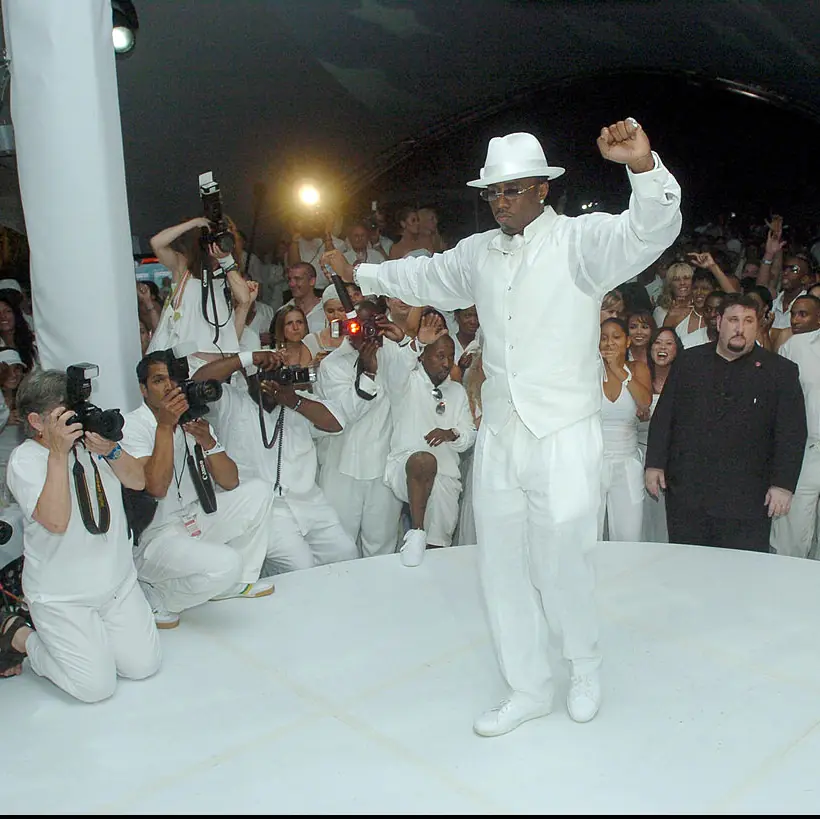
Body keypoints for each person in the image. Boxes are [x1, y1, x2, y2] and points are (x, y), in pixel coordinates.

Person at [323, 118, 682, 735]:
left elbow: (650, 230)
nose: (501, 201)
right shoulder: (477, 252)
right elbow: (426, 275)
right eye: (493, 192)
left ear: (542, 189)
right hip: (500, 435)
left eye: (513, 190)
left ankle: (583, 666)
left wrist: (643, 168)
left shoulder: (578, 243)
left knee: (563, 561)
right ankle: (527, 687)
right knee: (501, 567)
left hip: (563, 432)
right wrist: (365, 274)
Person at [0, 369, 161, 700]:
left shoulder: (91, 442)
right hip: (62, 596)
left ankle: (92, 638)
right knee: (95, 688)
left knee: (143, 666)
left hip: (116, 584)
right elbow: (56, 521)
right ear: (36, 421)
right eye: (63, 414)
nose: (74, 420)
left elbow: (138, 481)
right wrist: (59, 455)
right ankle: (21, 636)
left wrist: (111, 450)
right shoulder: (25, 460)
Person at [121, 352, 275, 629]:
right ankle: (159, 597)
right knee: (227, 564)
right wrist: (165, 426)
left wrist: (208, 443)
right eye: (159, 380)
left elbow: (230, 482)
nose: (169, 387)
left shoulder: (190, 416)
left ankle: (237, 582)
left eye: (173, 379)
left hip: (194, 518)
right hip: (155, 536)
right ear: (143, 389)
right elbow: (155, 487)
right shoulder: (132, 426)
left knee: (259, 491)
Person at [645, 293, 807, 552]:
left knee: (741, 570)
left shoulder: (780, 372)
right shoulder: (689, 362)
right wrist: (654, 463)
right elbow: (665, 416)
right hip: (688, 493)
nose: (740, 328)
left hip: (748, 499)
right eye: (733, 320)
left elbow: (791, 433)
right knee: (686, 565)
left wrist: (783, 485)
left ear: (757, 325)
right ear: (719, 322)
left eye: (748, 321)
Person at [191, 350, 359, 572]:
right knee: (300, 566)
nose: (272, 382)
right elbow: (195, 383)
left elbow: (336, 423)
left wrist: (294, 401)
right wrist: (248, 358)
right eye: (264, 374)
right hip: (265, 510)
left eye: (277, 374)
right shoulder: (229, 401)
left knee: (347, 553)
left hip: (309, 502)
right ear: (248, 377)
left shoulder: (297, 401)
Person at [315, 306, 445, 558]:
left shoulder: (391, 352)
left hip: (382, 466)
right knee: (339, 546)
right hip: (342, 467)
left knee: (381, 547)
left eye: (373, 325)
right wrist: (369, 372)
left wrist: (411, 342)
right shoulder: (332, 365)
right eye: (361, 326)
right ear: (348, 328)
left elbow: (406, 381)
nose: (368, 333)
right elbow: (345, 414)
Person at [385, 334, 477, 565]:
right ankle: (416, 531)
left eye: (450, 357)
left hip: (445, 477)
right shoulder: (407, 382)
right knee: (424, 461)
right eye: (440, 356)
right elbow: (396, 370)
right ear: (423, 356)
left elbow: (469, 434)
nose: (446, 363)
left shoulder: (456, 391)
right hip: (405, 469)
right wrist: (415, 343)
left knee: (438, 551)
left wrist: (451, 433)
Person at [147, 218, 255, 369]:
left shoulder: (230, 276)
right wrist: (195, 223)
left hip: (216, 365)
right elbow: (157, 243)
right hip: (183, 362)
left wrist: (226, 261)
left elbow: (244, 300)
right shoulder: (183, 266)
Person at [771, 295, 820, 558]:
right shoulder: (796, 346)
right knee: (793, 529)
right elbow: (780, 401)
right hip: (806, 450)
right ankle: (788, 580)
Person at [598, 318, 652, 542]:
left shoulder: (637, 368)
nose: (609, 343)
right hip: (592, 463)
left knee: (629, 535)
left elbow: (645, 402)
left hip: (627, 463)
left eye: (616, 337)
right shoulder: (589, 372)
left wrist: (618, 370)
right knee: (589, 535)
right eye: (603, 338)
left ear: (628, 341)